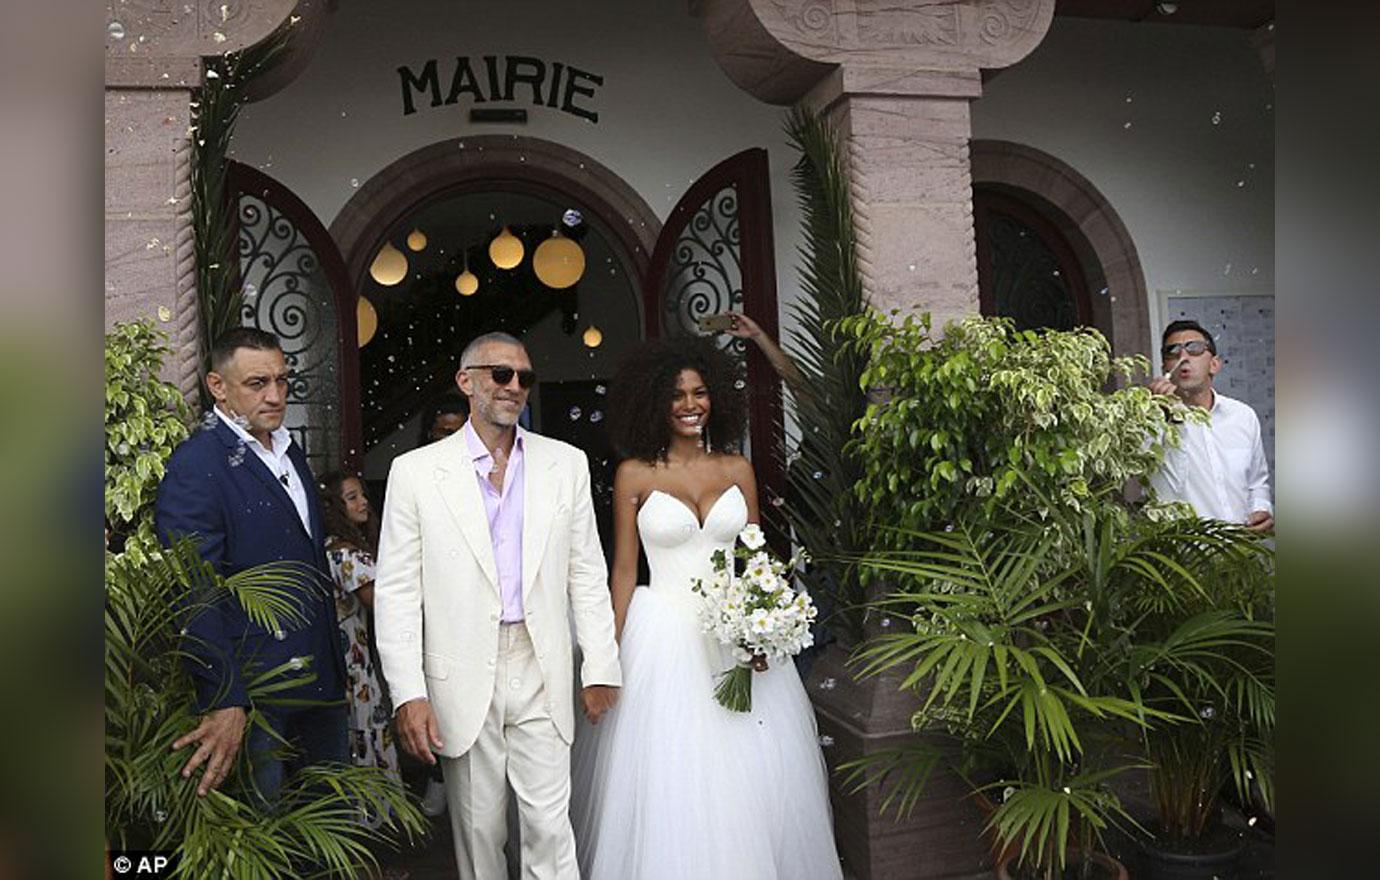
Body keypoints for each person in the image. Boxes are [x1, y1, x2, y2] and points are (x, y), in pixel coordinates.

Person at [570, 337, 842, 880]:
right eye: (677, 395)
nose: (691, 404)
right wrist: (605, 656)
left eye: (700, 393)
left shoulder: (738, 468)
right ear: (655, 403)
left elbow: (757, 560)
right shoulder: (635, 474)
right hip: (663, 637)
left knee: (748, 770)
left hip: (736, 639)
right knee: (675, 774)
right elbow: (625, 571)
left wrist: (766, 628)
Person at [373, 331, 622, 880]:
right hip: (460, 668)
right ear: (466, 382)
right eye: (500, 374)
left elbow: (586, 571)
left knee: (549, 829)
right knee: (480, 831)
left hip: (541, 660)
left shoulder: (567, 464)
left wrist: (600, 664)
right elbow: (395, 592)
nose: (514, 387)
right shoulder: (415, 473)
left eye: (524, 378)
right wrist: (408, 693)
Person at [155, 327, 346, 801]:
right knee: (265, 843)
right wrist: (224, 695)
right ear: (218, 387)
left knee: (327, 842)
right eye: (258, 384)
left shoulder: (287, 450)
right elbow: (193, 589)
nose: (276, 395)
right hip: (256, 692)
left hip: (318, 680)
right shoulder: (196, 464)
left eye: (282, 381)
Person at [319, 471, 402, 823]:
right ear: (335, 508)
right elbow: (384, 606)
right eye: (351, 497)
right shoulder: (345, 555)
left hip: (348, 654)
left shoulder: (332, 548)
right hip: (352, 661)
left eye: (362, 494)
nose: (363, 501)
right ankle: (370, 829)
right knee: (364, 737)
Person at [1149, 319, 1273, 530]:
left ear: (1214, 364)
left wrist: (1262, 509)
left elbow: (1256, 481)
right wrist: (1154, 414)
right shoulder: (1151, 419)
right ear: (1164, 368)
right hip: (1184, 558)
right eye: (1173, 351)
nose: (1183, 357)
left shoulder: (1243, 416)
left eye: (1194, 348)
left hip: (1243, 551)